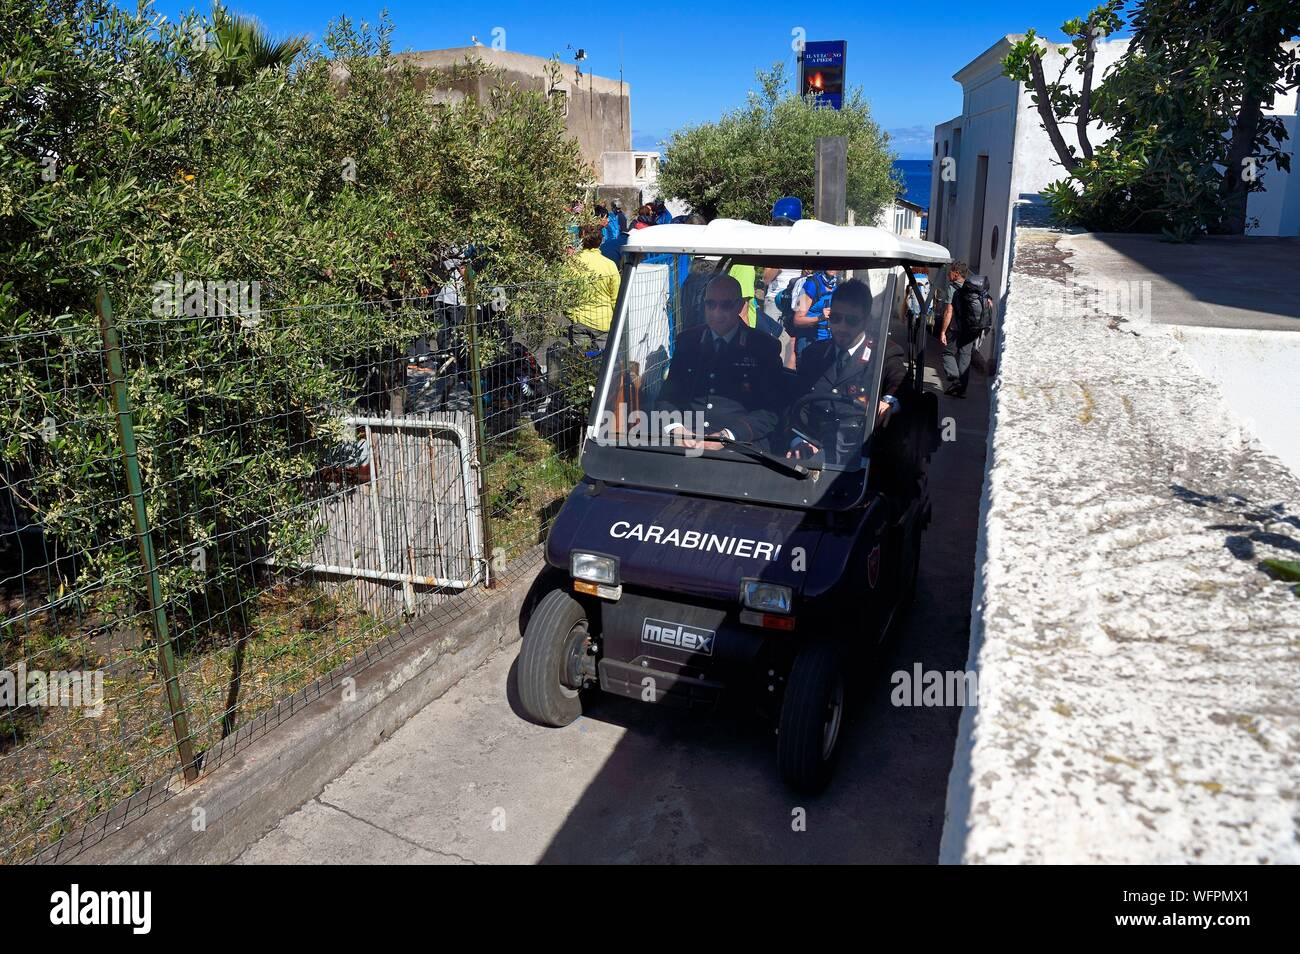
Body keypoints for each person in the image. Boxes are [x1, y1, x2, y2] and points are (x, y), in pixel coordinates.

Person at [786, 278, 907, 465]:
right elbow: (798, 400)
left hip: (860, 452)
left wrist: (888, 402)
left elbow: (901, 383)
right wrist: (800, 441)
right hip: (814, 447)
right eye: (835, 318)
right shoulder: (814, 353)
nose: (842, 327)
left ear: (866, 321)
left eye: (851, 320)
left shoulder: (883, 353)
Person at [656, 274, 783, 448]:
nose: (717, 313)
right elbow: (668, 395)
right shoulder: (688, 341)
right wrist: (677, 429)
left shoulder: (762, 347)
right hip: (687, 440)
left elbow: (771, 410)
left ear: (739, 306)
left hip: (739, 445)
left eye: (726, 305)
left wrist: (728, 435)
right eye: (711, 304)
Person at [759, 197, 804, 355]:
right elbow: (766, 277)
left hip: (796, 298)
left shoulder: (803, 243)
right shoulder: (774, 245)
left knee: (794, 343)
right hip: (776, 299)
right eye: (778, 224)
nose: (781, 228)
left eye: (784, 224)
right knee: (773, 344)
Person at [570, 224, 620, 336]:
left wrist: (572, 315)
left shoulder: (572, 263)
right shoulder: (610, 265)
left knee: (580, 353)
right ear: (600, 241)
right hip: (604, 321)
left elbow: (563, 293)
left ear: (580, 240)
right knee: (605, 353)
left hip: (580, 320)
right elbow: (616, 298)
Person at [938, 259, 978, 397]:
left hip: (956, 328)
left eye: (950, 271)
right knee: (965, 356)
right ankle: (961, 390)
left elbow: (949, 311)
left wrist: (943, 331)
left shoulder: (953, 288)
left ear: (955, 273)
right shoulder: (974, 286)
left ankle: (955, 379)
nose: (948, 274)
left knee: (948, 353)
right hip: (972, 328)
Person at [791, 268, 839, 363]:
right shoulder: (811, 284)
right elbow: (797, 320)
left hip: (828, 343)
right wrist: (820, 318)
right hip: (808, 343)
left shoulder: (838, 285)